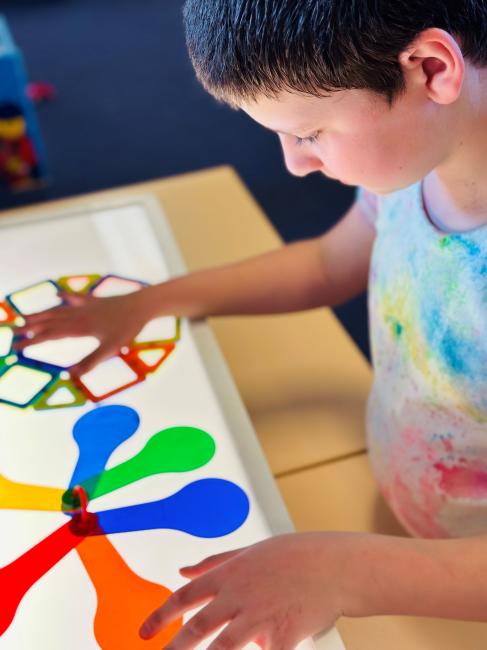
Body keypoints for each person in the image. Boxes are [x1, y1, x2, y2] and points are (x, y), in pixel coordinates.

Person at [16, 1, 487, 647]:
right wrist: (152, 301)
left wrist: (349, 574)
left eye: (309, 133)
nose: (292, 165)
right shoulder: (413, 159)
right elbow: (329, 261)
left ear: (431, 69)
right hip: (408, 513)